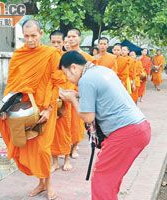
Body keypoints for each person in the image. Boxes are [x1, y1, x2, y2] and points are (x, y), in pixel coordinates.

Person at [58, 51, 151, 200]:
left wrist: (72, 100)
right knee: (111, 178)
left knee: (102, 179)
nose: (67, 78)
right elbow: (102, 94)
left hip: (125, 133)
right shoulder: (101, 70)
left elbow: (88, 117)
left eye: (66, 73)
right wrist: (77, 95)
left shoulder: (86, 80)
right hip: (140, 127)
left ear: (74, 67)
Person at [0, 19, 66, 200]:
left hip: (44, 109)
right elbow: (12, 84)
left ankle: (49, 183)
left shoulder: (51, 54)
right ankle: (41, 183)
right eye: (26, 36)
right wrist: (6, 108)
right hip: (24, 110)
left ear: (41, 34)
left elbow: (57, 82)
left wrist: (50, 109)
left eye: (33, 36)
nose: (30, 40)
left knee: (43, 148)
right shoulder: (19, 55)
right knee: (29, 148)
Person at [67, 28, 95, 159]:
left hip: (79, 93)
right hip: (65, 92)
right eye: (69, 36)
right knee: (65, 123)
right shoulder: (63, 56)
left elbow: (91, 76)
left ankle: (74, 148)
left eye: (74, 36)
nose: (71, 39)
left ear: (80, 39)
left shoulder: (87, 57)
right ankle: (65, 148)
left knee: (77, 124)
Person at [49, 30, 73, 172]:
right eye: (53, 42)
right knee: (52, 131)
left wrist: (64, 93)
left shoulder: (67, 58)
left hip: (64, 99)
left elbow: (71, 78)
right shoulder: (47, 58)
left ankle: (67, 159)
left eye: (59, 42)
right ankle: (55, 162)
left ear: (64, 43)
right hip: (51, 99)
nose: (56, 45)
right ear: (50, 42)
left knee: (65, 130)